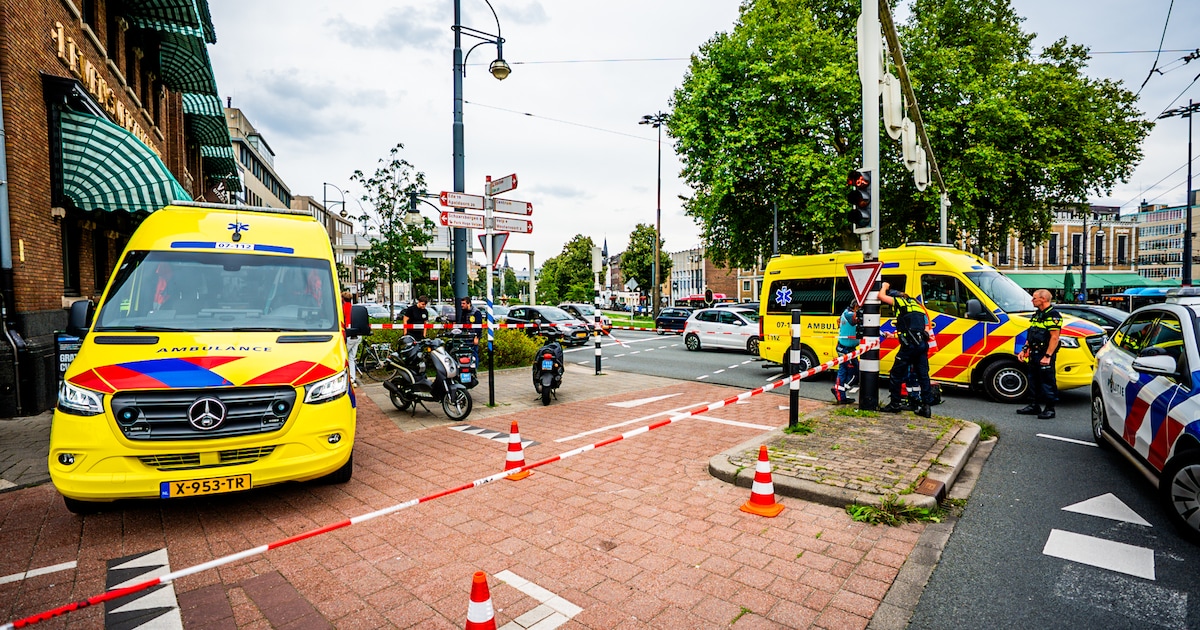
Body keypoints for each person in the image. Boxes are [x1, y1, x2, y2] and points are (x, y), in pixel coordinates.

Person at [878, 281, 932, 417]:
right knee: (923, 376)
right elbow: (922, 329)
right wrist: (895, 335)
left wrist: (885, 286)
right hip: (921, 345)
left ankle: (895, 404)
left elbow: (881, 296)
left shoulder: (901, 302)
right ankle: (926, 407)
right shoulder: (918, 307)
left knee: (896, 374)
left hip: (909, 346)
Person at [1017, 289, 1061, 419]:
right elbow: (1031, 333)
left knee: (1047, 381)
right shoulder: (1037, 314)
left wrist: (1047, 356)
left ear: (1043, 299)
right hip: (1034, 352)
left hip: (1044, 353)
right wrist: (1025, 349)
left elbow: (1054, 338)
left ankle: (1050, 408)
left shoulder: (1053, 315)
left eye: (1034, 298)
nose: (1032, 300)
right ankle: (1034, 405)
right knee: (1033, 380)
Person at [831, 303, 860, 404]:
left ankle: (841, 396)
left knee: (843, 371)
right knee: (854, 373)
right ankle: (839, 390)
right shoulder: (849, 314)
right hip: (845, 349)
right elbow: (854, 320)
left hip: (846, 348)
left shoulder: (846, 312)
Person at [342, 290, 361, 386]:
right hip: (358, 335)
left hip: (349, 335)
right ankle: (352, 378)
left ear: (342, 299)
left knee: (342, 357)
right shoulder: (354, 308)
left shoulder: (343, 307)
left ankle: (343, 379)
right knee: (351, 358)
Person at [458, 296, 483, 361]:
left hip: (473, 337)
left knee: (474, 354)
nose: (461, 305)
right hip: (465, 336)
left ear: (468, 304)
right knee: (465, 354)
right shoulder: (464, 311)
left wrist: (476, 337)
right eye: (461, 303)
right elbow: (462, 324)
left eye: (463, 303)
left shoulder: (476, 312)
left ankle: (475, 369)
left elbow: (479, 326)